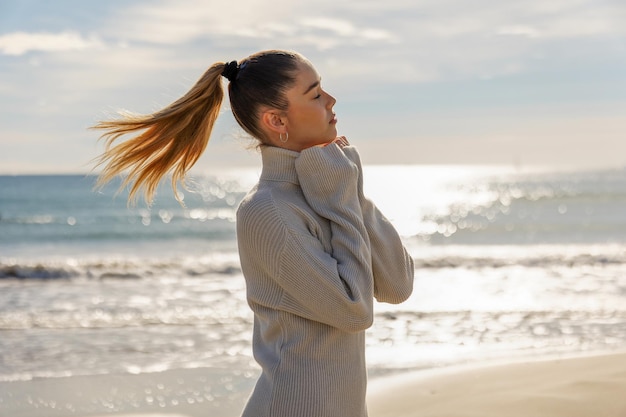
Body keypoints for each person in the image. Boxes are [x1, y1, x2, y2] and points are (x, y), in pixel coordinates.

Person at [92, 49, 414, 417]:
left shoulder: (328, 187)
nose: (331, 100)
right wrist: (342, 198)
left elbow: (398, 285)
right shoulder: (267, 211)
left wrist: (352, 190)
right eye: (315, 94)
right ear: (277, 120)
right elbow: (355, 312)